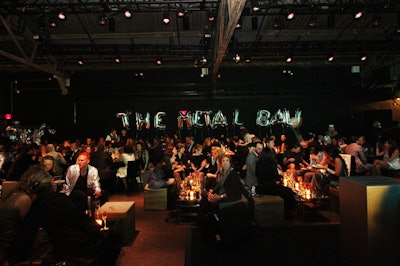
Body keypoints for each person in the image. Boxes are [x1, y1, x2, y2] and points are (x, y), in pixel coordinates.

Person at [20, 166, 121, 266]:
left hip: (62, 247)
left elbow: (27, 232)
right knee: (113, 238)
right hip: (79, 245)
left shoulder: (37, 205)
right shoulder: (60, 200)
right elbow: (84, 222)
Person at [0, 165, 54, 265]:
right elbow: (29, 230)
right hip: (9, 248)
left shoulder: (17, 193)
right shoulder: (25, 199)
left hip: (9, 244)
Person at [256, 149, 296, 219]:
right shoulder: (271, 163)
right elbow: (276, 176)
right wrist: (280, 177)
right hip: (270, 187)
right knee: (289, 192)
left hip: (261, 186)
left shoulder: (258, 163)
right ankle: (287, 213)